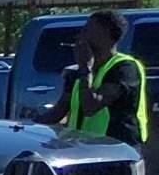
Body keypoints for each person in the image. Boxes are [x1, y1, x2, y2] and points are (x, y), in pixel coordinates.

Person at [32, 9, 147, 148]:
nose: (81, 36)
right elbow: (60, 110)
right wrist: (33, 125)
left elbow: (90, 106)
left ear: (105, 34)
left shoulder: (124, 68)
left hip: (115, 151)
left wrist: (85, 69)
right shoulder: (78, 71)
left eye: (87, 30)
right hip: (84, 149)